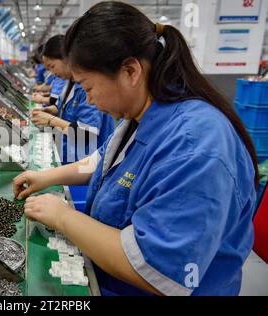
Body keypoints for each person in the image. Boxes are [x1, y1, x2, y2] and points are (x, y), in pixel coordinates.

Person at [14, 1, 258, 296]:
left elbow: (157, 269)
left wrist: (63, 216)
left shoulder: (198, 146)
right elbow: (103, 161)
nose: (88, 101)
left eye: (89, 88)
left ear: (130, 70)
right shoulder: (143, 114)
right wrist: (49, 177)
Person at [31, 34, 115, 165]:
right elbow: (63, 107)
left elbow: (87, 134)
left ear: (66, 58)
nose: (52, 73)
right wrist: (50, 111)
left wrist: (51, 120)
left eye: (52, 66)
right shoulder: (69, 83)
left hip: (86, 163)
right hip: (70, 155)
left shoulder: (86, 87)